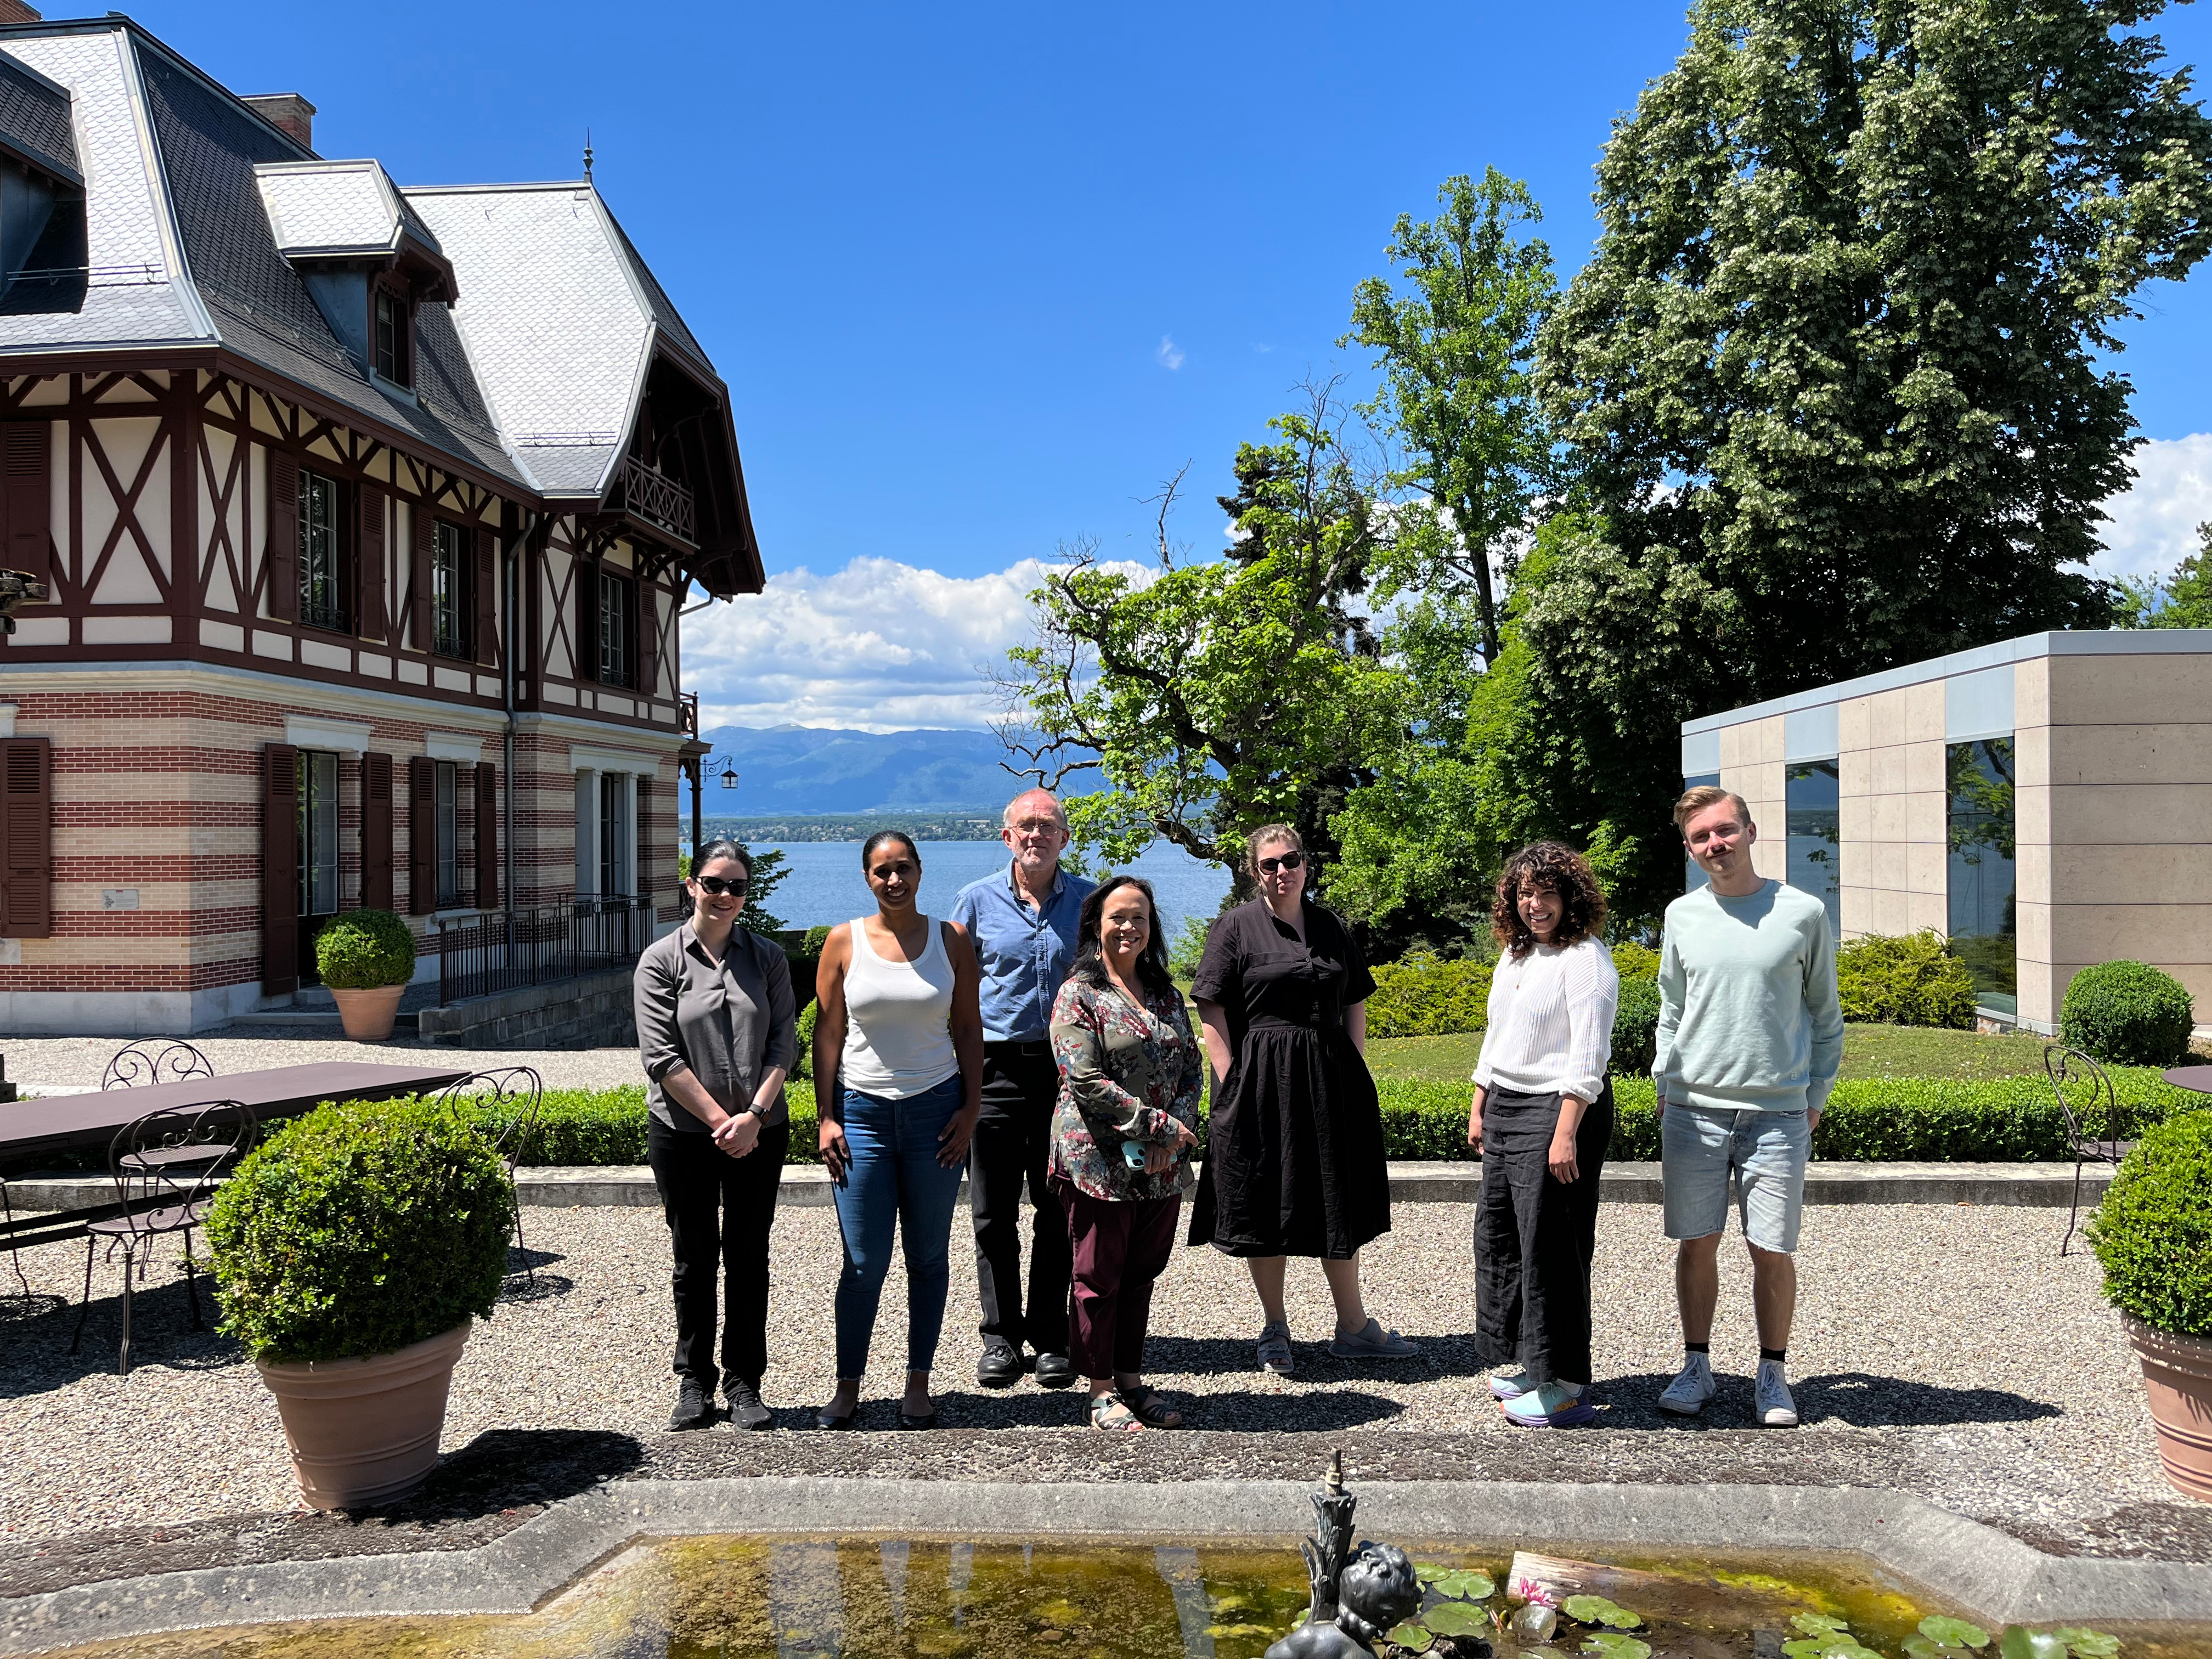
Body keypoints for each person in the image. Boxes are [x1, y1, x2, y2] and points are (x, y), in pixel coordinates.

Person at [1190, 824, 1415, 1373]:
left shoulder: (1329, 926)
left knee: (1335, 1197)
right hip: (1262, 1082)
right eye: (1269, 864)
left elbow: (1355, 997)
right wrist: (1232, 1080)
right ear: (1254, 872)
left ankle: (1354, 1326)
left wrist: (1353, 1063)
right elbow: (1211, 1007)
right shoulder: (1235, 928)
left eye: (1290, 860)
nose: (1281, 871)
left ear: (1305, 864)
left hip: (1330, 1079)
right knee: (1265, 1199)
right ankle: (1274, 1327)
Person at [1654, 785, 1844, 1428]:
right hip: (1693, 1111)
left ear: (1752, 831)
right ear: (1689, 848)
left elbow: (1826, 1018)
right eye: (1703, 837)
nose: (1717, 845)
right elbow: (1671, 1010)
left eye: (1726, 830)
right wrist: (1663, 1085)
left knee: (1772, 1248)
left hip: (1778, 1118)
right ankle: (1697, 1364)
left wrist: (1812, 1101)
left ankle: (1773, 1373)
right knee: (1696, 1243)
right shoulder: (1681, 915)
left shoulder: (1803, 913)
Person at [811, 830, 986, 1429]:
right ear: (867, 877)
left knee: (928, 1256)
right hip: (861, 1116)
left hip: (936, 1115)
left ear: (920, 871)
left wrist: (970, 1108)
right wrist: (826, 1116)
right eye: (882, 871)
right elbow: (827, 1035)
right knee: (862, 1262)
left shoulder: (953, 940)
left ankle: (918, 1382)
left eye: (904, 868)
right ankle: (847, 1387)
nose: (894, 880)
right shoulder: (843, 941)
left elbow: (968, 1030)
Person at [633, 839, 798, 1432]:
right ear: (691, 885)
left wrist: (753, 1115)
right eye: (714, 883)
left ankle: (745, 1382)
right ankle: (694, 1380)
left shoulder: (768, 959)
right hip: (682, 1134)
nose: (725, 895)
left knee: (749, 1257)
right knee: (694, 1257)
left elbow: (785, 1043)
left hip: (761, 1130)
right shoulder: (660, 961)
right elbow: (661, 1056)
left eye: (737, 887)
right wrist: (718, 1122)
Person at [1468, 841, 1620, 1430]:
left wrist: (1565, 1136)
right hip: (1507, 1107)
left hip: (1559, 1113)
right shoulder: (1518, 954)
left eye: (1547, 892)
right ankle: (1536, 1364)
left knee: (1554, 1250)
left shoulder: (1586, 959)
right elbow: (1497, 1036)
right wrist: (1481, 1103)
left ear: (1570, 897)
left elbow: (1588, 1056)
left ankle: (1568, 1386)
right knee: (1504, 1240)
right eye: (1525, 892)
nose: (1535, 903)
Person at [951, 789, 1095, 1391]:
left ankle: (1051, 1338)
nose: (1036, 835)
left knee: (1058, 1207)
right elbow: (953, 992)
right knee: (992, 1212)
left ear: (1064, 838)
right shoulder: (975, 902)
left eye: (1048, 826)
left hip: (1066, 1074)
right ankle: (1000, 1338)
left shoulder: (1090, 902)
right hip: (996, 1070)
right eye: (1025, 827)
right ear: (1006, 836)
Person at [1046, 875, 1203, 1431]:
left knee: (1141, 1275)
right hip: (1098, 1161)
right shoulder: (1079, 994)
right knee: (1097, 1276)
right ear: (1096, 924)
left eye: (1139, 917)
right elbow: (1083, 1080)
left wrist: (1172, 1134)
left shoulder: (1165, 993)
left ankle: (1131, 1379)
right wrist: (1159, 1126)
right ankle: (1099, 1390)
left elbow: (1191, 1068)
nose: (1129, 927)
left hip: (1159, 1163)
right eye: (1118, 917)